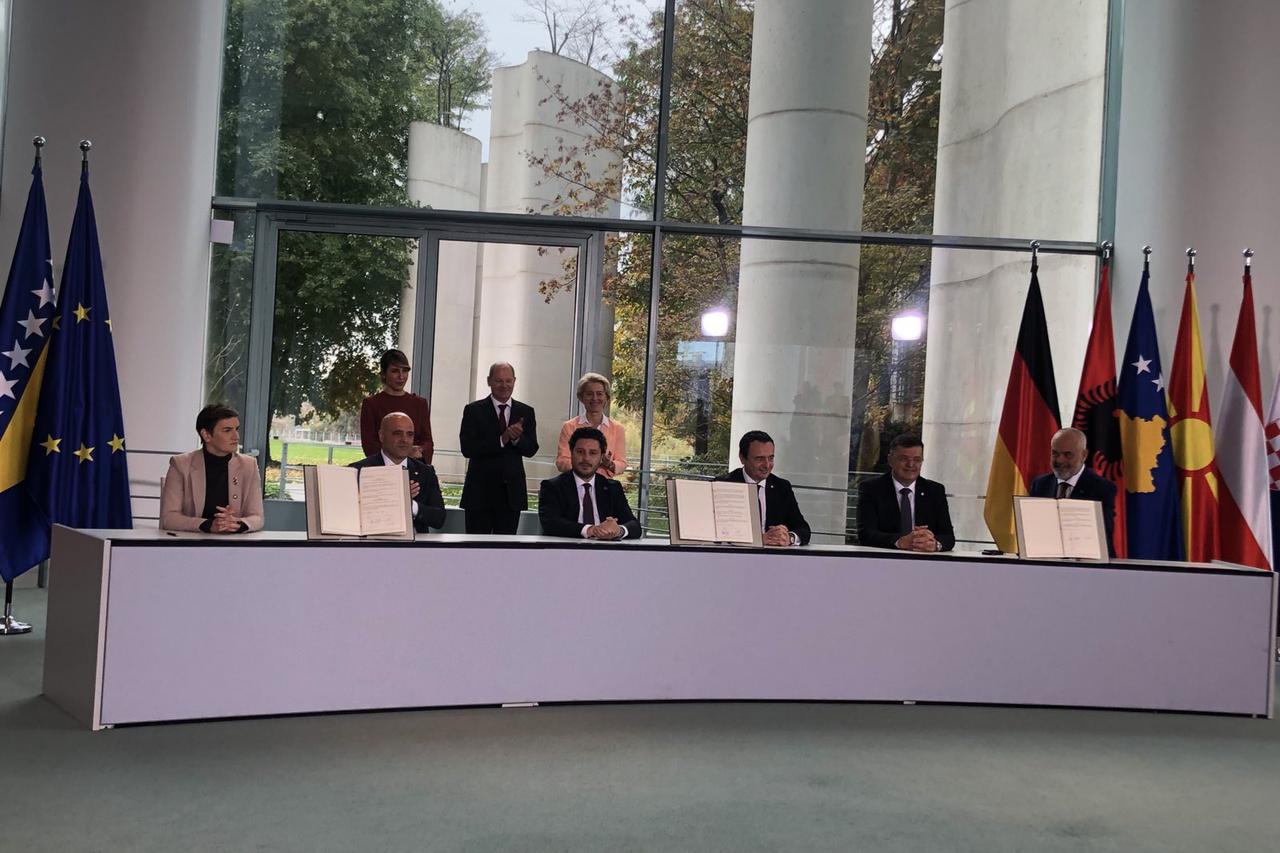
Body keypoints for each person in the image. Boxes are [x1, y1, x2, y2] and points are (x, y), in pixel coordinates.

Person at [459, 362, 539, 534]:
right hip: (480, 495)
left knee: (506, 548)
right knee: (476, 547)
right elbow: (467, 448)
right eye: (498, 381)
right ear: (489, 381)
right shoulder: (473, 410)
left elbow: (532, 449)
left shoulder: (526, 411)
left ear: (514, 381)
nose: (504, 385)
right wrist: (501, 440)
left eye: (508, 381)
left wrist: (517, 439)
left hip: (511, 496)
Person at [161, 404, 264, 533]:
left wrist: (237, 524)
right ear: (206, 435)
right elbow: (169, 518)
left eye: (236, 429)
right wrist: (208, 525)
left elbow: (257, 517)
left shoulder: (249, 465)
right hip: (193, 542)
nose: (236, 436)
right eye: (227, 430)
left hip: (234, 542)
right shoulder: (181, 464)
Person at [349, 411, 446, 533]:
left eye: (409, 434)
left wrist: (410, 505)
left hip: (416, 543)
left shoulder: (426, 472)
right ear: (381, 436)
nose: (404, 440)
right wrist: (392, 498)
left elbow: (439, 519)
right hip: (372, 541)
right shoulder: (357, 471)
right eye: (397, 433)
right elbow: (349, 515)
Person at [857, 434, 955, 552]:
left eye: (917, 460)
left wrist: (934, 544)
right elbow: (866, 534)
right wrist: (900, 542)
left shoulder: (935, 490)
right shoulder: (871, 489)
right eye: (904, 459)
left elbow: (948, 537)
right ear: (890, 460)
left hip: (925, 559)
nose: (910, 465)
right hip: (886, 559)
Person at [539, 427, 641, 540]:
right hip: (568, 548)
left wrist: (619, 530)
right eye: (580, 452)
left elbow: (635, 525)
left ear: (601, 457)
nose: (586, 458)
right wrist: (590, 530)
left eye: (593, 453)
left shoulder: (612, 488)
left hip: (605, 548)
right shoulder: (552, 487)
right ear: (571, 453)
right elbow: (551, 524)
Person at [1030, 427, 1117, 557]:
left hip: (1088, 564)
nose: (1059, 460)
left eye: (1067, 455)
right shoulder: (1040, 484)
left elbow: (1103, 536)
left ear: (1084, 455)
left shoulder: (1102, 488)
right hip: (1046, 561)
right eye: (1055, 453)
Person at [715, 430, 811, 546]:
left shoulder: (782, 487)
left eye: (770, 458)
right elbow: (713, 533)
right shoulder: (722, 485)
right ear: (742, 458)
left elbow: (803, 529)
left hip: (772, 555)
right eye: (759, 459)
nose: (767, 465)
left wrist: (789, 537)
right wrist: (758, 539)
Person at [360, 349, 433, 463]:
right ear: (384, 374)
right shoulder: (371, 404)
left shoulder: (420, 403)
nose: (401, 376)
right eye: (395, 371)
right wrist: (403, 454)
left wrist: (420, 450)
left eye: (405, 371)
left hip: (415, 466)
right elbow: (369, 445)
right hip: (383, 469)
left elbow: (427, 442)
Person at [555, 372, 627, 479]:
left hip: (603, 484)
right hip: (574, 484)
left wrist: (609, 464)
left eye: (599, 394)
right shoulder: (569, 427)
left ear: (606, 397)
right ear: (581, 397)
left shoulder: (617, 429)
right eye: (589, 394)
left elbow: (622, 463)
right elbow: (561, 462)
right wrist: (588, 465)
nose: (594, 398)